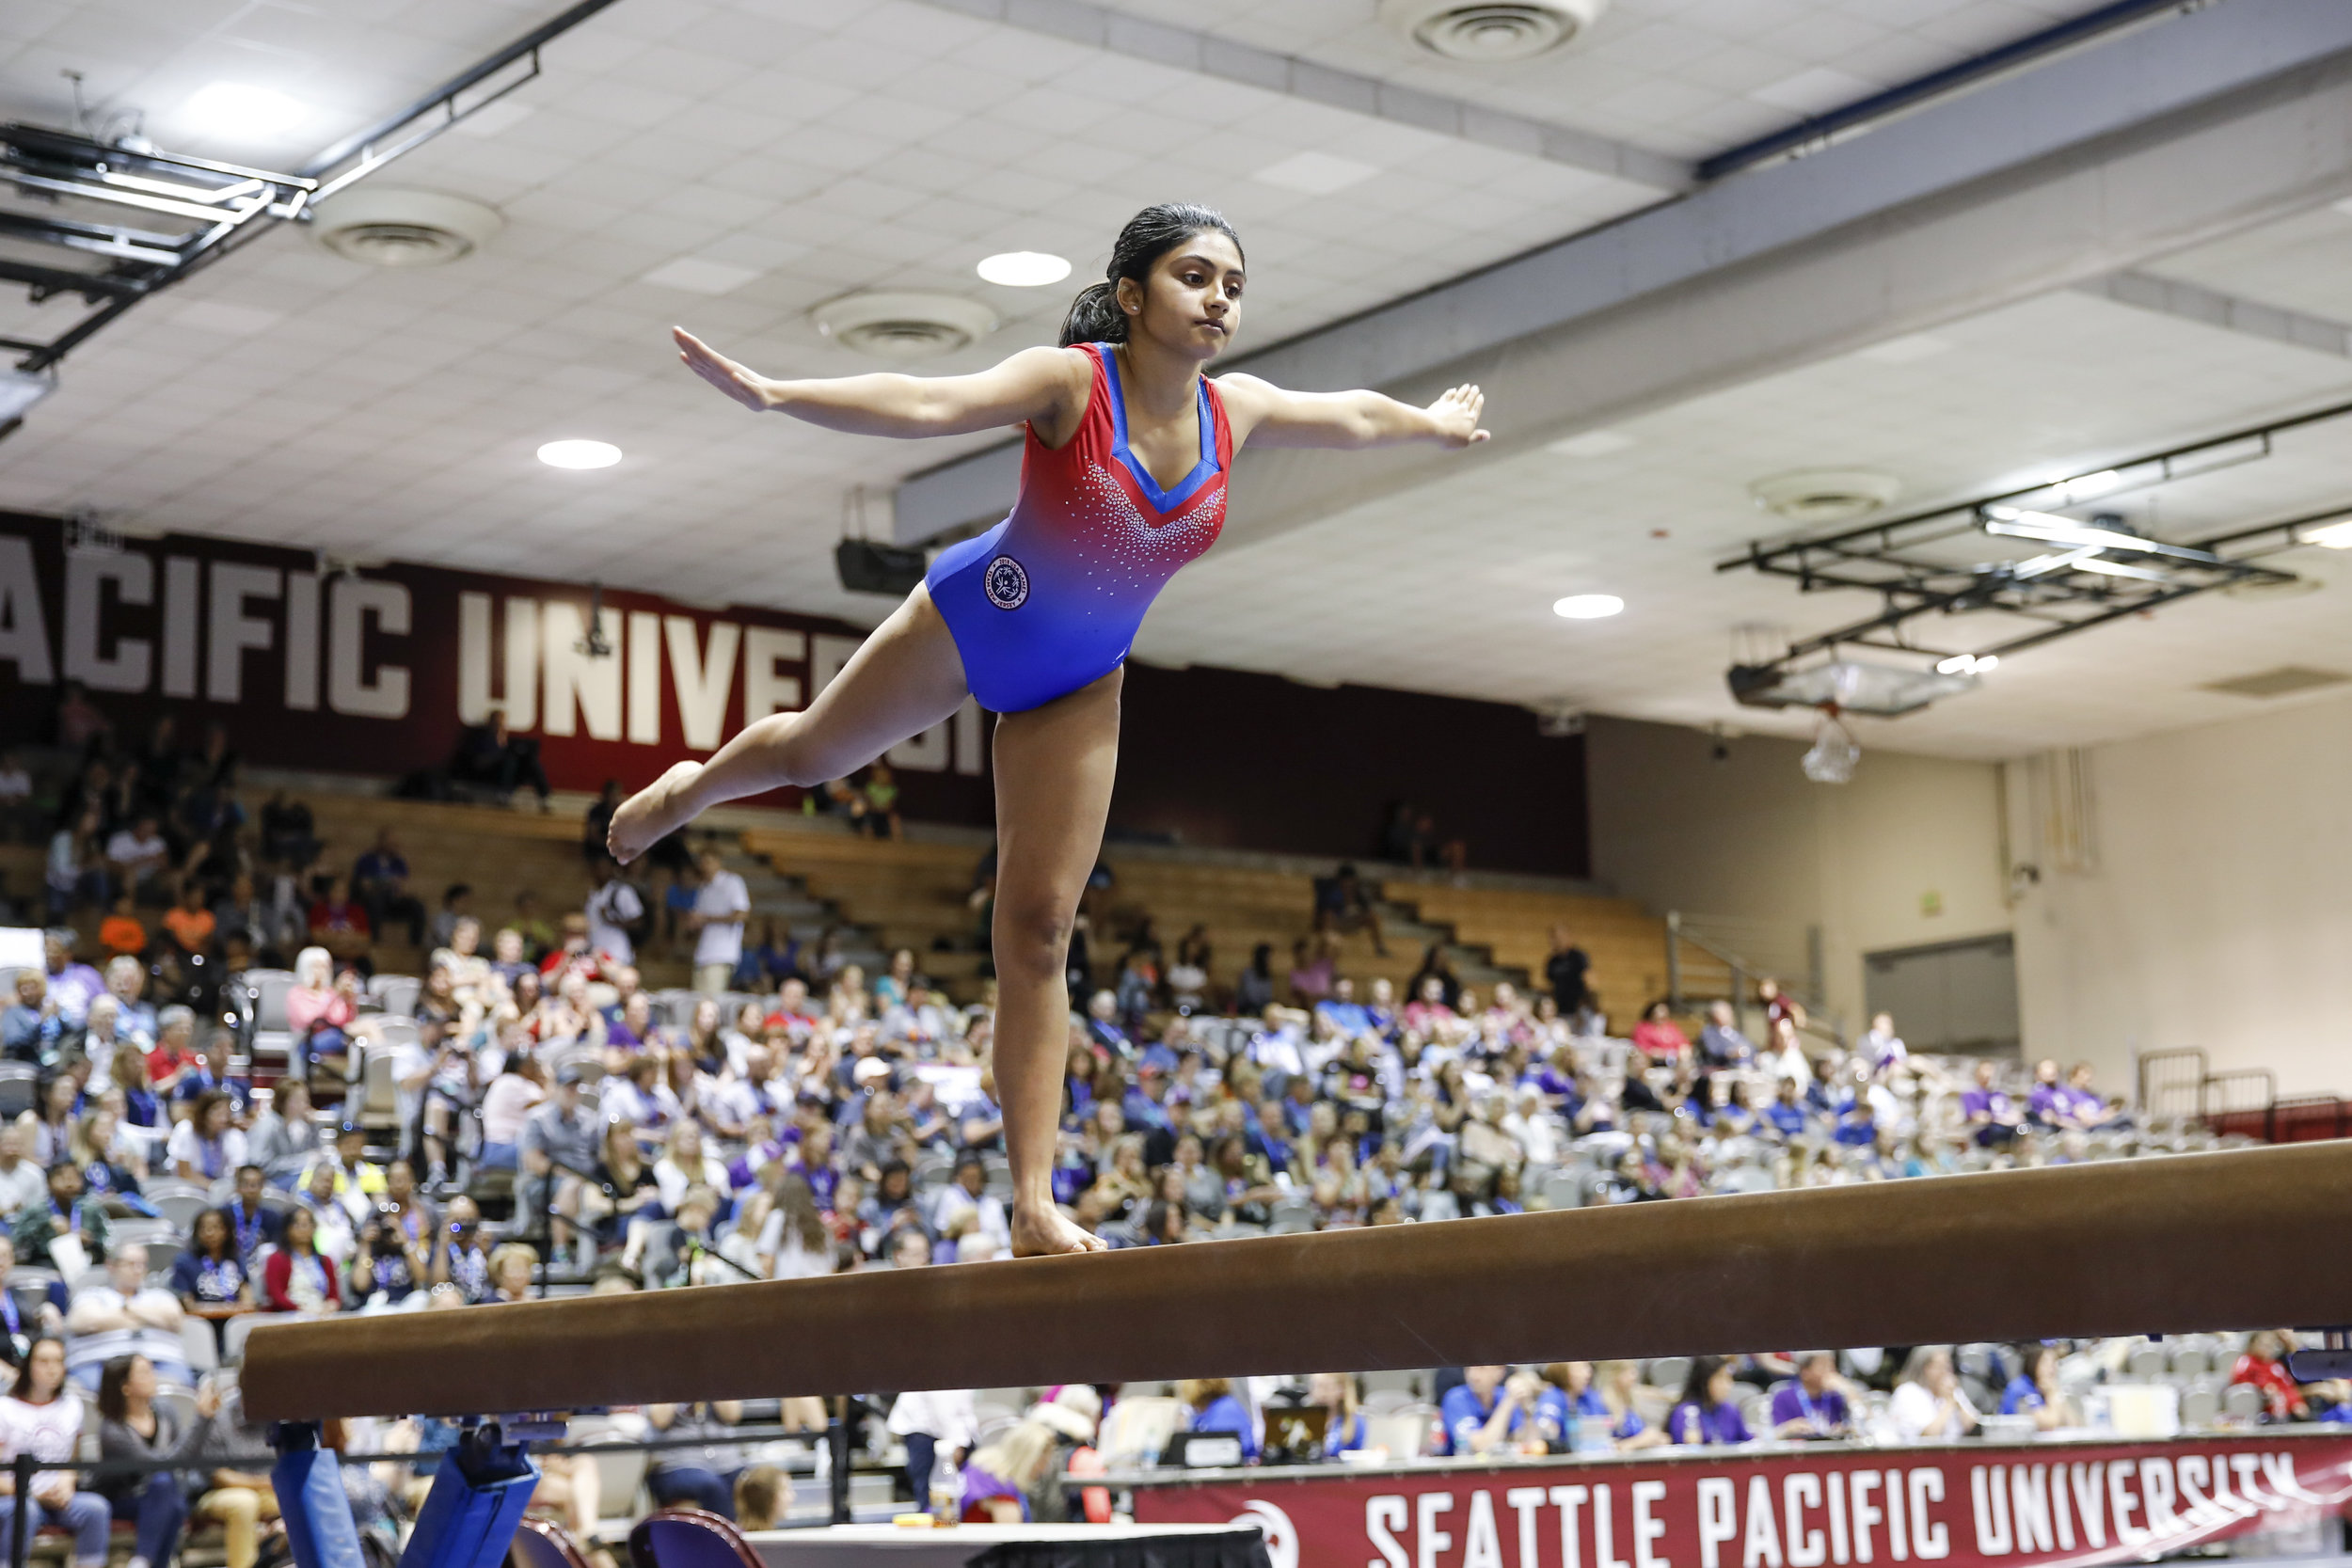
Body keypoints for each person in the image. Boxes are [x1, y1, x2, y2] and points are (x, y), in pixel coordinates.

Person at [607, 204, 1489, 1257]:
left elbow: (1345, 416)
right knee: (810, 754)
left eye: (1233, 284)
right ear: (1131, 294)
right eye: (1194, 276)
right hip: (978, 612)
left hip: (1078, 682)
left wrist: (1429, 422)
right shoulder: (1074, 384)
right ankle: (688, 789)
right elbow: (930, 399)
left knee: (1036, 931)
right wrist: (776, 392)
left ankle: (1031, 1202)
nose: (1218, 299)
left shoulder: (1235, 409)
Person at [0, 1338, 111, 1568]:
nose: (52, 1368)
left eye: (58, 1361)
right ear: (28, 1365)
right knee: (25, 1511)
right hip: (14, 1497)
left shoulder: (72, 1406)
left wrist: (67, 1483)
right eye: (43, 1361)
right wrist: (31, 1493)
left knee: (96, 1509)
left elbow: (72, 1458)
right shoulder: (6, 1408)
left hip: (58, 1499)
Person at [96, 1353, 212, 1568]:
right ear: (125, 1387)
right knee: (164, 1483)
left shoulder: (165, 1411)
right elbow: (161, 1464)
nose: (153, 1376)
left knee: (173, 1498)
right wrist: (201, 1419)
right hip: (124, 1498)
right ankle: (144, 1559)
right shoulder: (112, 1430)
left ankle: (146, 1561)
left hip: (165, 1495)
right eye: (144, 1372)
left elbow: (183, 1459)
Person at [959, 1419, 1058, 1524]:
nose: (1043, 1470)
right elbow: (1011, 1536)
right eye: (1043, 1461)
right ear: (1028, 1459)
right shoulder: (1001, 1489)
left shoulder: (979, 1468)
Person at [685, 847, 749, 997]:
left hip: (722, 953)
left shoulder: (732, 882)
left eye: (708, 862)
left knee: (713, 1002)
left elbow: (742, 915)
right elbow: (700, 921)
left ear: (718, 862)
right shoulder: (703, 888)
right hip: (702, 954)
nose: (705, 866)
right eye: (702, 863)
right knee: (698, 1002)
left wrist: (707, 918)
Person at [1888, 1347, 1980, 1440]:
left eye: (1947, 1366)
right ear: (1924, 1368)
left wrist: (1957, 1403)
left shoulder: (1952, 1390)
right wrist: (1949, 1403)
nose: (1945, 1371)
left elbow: (1973, 1426)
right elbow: (1929, 1435)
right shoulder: (1908, 1392)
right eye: (1939, 1366)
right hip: (1918, 1452)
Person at [261, 1205, 340, 1312]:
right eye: (298, 1225)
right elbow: (276, 1296)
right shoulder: (276, 1259)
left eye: (308, 1224)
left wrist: (331, 1305)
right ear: (287, 1229)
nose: (304, 1229)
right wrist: (301, 1308)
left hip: (322, 1313)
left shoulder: (325, 1261)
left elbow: (333, 1296)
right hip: (289, 1314)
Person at [1438, 1365, 1525, 1456]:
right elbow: (1480, 1446)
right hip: (1464, 1467)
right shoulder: (1456, 1398)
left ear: (1500, 1372)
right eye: (1469, 1368)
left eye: (1481, 1368)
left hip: (1502, 1466)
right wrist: (1507, 1404)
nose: (1473, 1375)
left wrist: (1526, 1408)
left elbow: (1524, 1441)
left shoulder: (1503, 1395)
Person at [1667, 1356, 1753, 1446]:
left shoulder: (1731, 1410)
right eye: (1720, 1378)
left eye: (1729, 1378)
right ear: (1704, 1382)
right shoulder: (1685, 1412)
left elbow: (1748, 1441)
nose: (1728, 1385)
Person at [1768, 1353, 1852, 1439]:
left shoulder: (1836, 1395)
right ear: (1805, 1371)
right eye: (1824, 1366)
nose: (1831, 1372)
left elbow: (1859, 1427)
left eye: (1832, 1366)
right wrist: (1788, 1428)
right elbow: (1772, 1436)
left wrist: (1850, 1393)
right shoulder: (1783, 1397)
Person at [2001, 1343, 2077, 1431]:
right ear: (2033, 1363)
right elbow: (2049, 1424)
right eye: (2046, 1363)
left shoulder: (2045, 1388)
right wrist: (2052, 1394)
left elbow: (2073, 1424)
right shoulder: (2021, 1388)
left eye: (2054, 1363)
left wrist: (2057, 1394)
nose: (2052, 1369)